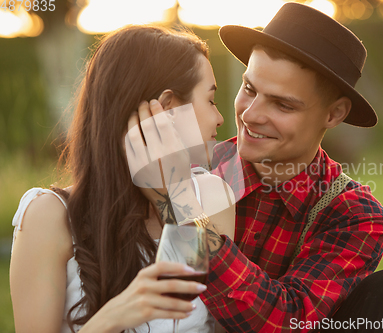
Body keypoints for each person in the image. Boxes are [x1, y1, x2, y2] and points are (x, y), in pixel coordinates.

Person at [133, 3, 383, 332]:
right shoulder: (191, 166)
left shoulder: (355, 215)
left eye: (282, 104)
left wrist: (179, 205)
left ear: (334, 114)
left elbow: (287, 323)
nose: (251, 114)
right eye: (249, 90)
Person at [10, 25, 235, 333]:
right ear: (167, 109)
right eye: (210, 100)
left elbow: (184, 310)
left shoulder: (212, 198)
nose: (220, 118)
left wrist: (174, 193)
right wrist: (110, 319)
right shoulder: (50, 217)